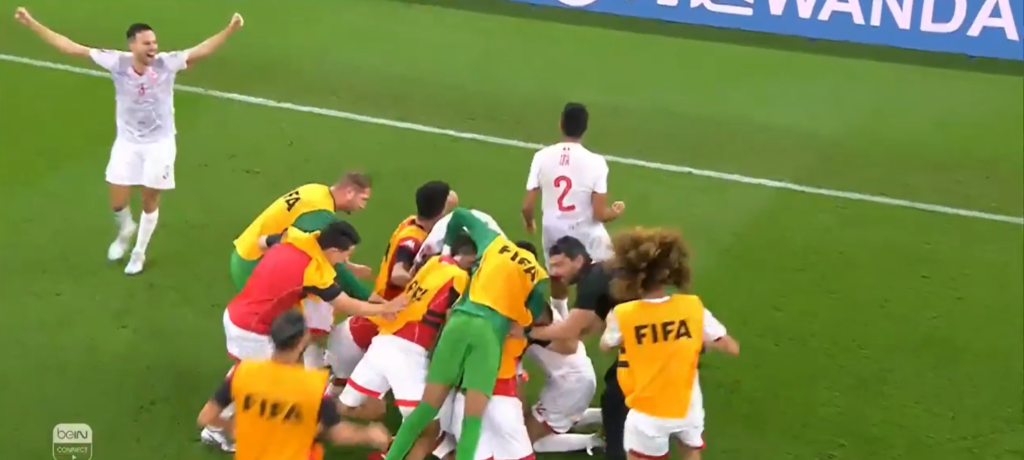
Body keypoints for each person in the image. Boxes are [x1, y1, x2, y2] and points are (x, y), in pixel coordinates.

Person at [14, 7, 244, 275]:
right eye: (147, 43)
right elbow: (71, 48)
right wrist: (31, 23)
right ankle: (125, 228)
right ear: (132, 45)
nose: (153, 47)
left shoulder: (166, 63)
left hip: (159, 143)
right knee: (116, 198)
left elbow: (200, 52)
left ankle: (138, 252)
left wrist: (229, 30)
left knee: (149, 197)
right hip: (127, 142)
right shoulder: (116, 62)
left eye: (154, 42)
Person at [205, 222, 406, 451]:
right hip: (253, 329)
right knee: (264, 382)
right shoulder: (314, 270)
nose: (345, 260)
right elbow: (346, 304)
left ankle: (224, 421)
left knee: (252, 373)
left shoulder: (296, 237)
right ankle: (217, 429)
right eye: (346, 255)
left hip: (237, 313)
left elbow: (261, 242)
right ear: (334, 250)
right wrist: (385, 309)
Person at [384, 207, 550, 460]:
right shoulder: (538, 275)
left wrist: (449, 246)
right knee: (472, 422)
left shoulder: (494, 242)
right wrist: (522, 323)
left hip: (458, 324)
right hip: (488, 336)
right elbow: (530, 317)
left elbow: (460, 214)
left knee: (425, 410)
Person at [598, 228, 740, 460]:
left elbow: (606, 345)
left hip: (648, 412)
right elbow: (731, 347)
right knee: (691, 452)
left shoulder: (623, 314)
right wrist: (693, 342)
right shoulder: (692, 306)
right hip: (688, 408)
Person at [196, 309, 392, 459]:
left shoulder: (242, 371)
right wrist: (368, 434)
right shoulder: (313, 385)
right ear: (300, 343)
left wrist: (233, 427)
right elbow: (336, 432)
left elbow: (206, 417)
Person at [521, 102, 624, 319]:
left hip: (553, 230)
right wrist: (614, 212)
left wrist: (530, 223)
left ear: (560, 124)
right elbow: (599, 214)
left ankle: (561, 318)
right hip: (586, 231)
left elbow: (527, 206)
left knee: (557, 275)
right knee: (612, 271)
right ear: (585, 128)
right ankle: (613, 319)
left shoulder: (541, 157)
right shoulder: (596, 162)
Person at [529, 235, 625, 457]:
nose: (555, 272)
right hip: (575, 378)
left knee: (529, 442)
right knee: (614, 395)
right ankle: (611, 419)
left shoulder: (590, 284)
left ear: (579, 260)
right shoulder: (597, 275)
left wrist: (526, 333)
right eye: (552, 266)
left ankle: (606, 442)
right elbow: (589, 326)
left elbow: (571, 335)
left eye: (560, 265)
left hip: (571, 382)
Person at [231, 174, 375, 291]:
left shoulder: (316, 190)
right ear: (349, 192)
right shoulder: (321, 216)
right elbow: (329, 262)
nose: (362, 206)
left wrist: (349, 266)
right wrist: (366, 297)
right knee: (279, 316)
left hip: (247, 250)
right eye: (363, 200)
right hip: (254, 264)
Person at [374, 181, 457, 300]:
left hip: (381, 295)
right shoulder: (412, 240)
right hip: (390, 303)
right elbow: (397, 275)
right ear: (442, 210)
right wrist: (425, 287)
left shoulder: (411, 221)